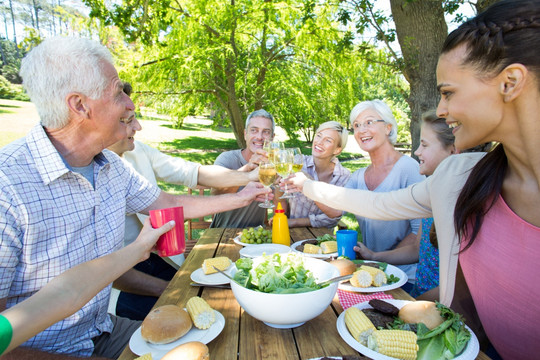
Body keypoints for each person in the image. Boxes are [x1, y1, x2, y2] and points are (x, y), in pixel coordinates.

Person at [286, 1, 540, 357]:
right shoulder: (459, 177)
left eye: (448, 92)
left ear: (510, 83)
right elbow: (378, 205)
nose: (440, 110)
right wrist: (305, 185)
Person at [0, 37, 268, 359]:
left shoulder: (112, 165)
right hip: (43, 351)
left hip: (103, 329)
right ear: (80, 105)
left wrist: (243, 196)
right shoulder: (7, 188)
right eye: (117, 92)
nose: (130, 104)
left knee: (222, 342)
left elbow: (166, 204)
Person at [108, 82, 261, 320]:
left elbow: (193, 173)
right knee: (192, 313)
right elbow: (167, 204)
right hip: (120, 283)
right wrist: (171, 291)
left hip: (160, 258)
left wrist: (247, 177)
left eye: (134, 117)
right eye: (127, 120)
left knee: (216, 303)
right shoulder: (95, 172)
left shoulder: (135, 151)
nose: (138, 126)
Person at [0, 219, 173, 356]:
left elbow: (68, 293)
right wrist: (139, 249)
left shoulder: (7, 328)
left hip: (99, 327)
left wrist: (140, 249)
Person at [354, 110, 456, 300]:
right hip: (419, 294)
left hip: (438, 306)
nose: (417, 152)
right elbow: (417, 250)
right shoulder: (432, 192)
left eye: (424, 144)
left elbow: (459, 288)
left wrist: (412, 305)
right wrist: (374, 256)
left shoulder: (459, 205)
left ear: (453, 150)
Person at [346, 100, 425, 288]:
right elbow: (332, 210)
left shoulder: (408, 169)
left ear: (388, 128)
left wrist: (379, 262)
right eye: (356, 125)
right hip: (371, 276)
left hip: (402, 278)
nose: (362, 129)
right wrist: (304, 182)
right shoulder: (358, 177)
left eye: (369, 122)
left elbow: (417, 234)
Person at [210, 109, 275, 228]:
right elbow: (215, 194)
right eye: (254, 130)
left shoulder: (273, 165)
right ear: (245, 134)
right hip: (222, 234)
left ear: (272, 137)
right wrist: (247, 170)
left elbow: (281, 202)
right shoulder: (227, 159)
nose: (259, 137)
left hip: (256, 237)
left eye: (266, 132)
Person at [279, 121, 350, 228]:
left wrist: (309, 184)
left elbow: (332, 218)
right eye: (319, 136)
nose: (319, 142)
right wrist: (281, 218)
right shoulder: (297, 162)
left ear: (337, 150)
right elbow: (279, 192)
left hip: (322, 238)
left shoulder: (344, 177)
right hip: (291, 233)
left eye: (328, 140)